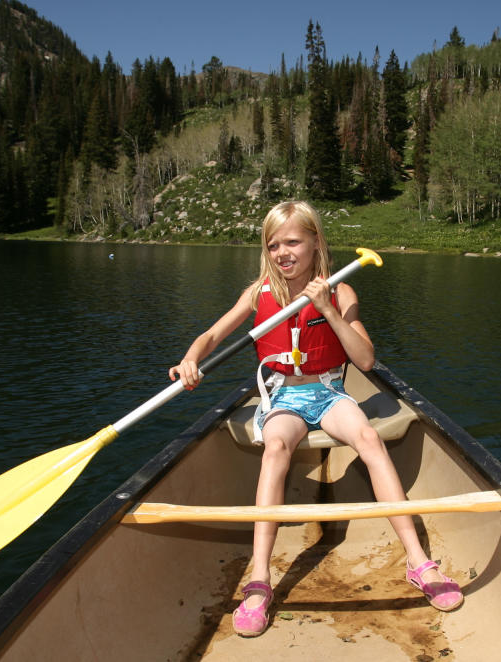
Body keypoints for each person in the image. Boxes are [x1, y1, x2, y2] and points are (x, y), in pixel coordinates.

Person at [169, 200, 462, 637]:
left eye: (293, 242)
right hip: (282, 394)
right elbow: (213, 335)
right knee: (276, 448)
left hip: (327, 391)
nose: (283, 252)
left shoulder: (342, 292)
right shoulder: (258, 292)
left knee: (368, 437)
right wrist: (191, 359)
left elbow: (364, 360)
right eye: (273, 245)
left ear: (315, 243)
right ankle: (260, 581)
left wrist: (326, 309)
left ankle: (418, 562)